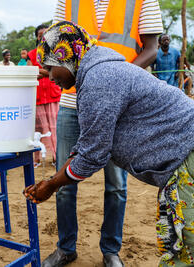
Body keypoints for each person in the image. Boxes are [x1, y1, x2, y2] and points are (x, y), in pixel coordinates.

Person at [24, 21, 194, 267]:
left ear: (67, 57)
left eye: (51, 68)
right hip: (179, 162)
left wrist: (51, 185)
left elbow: (93, 156)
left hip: (186, 159)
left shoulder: (100, 79)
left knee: (188, 246)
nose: (50, 77)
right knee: (178, 246)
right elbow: (89, 142)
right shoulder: (96, 72)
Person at [47, 1, 163, 266]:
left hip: (117, 106)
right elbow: (55, 46)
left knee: (117, 185)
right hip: (71, 103)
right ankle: (66, 247)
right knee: (63, 181)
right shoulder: (67, 1)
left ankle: (111, 250)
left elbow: (152, 48)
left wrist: (114, 84)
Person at [28, 24, 61, 168]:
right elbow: (30, 73)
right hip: (38, 96)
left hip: (53, 95)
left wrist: (41, 71)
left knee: (56, 128)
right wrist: (48, 72)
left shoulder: (57, 52)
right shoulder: (32, 54)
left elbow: (59, 72)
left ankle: (56, 157)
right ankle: (36, 159)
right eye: (40, 35)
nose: (43, 37)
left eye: (46, 34)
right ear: (37, 37)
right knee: (37, 129)